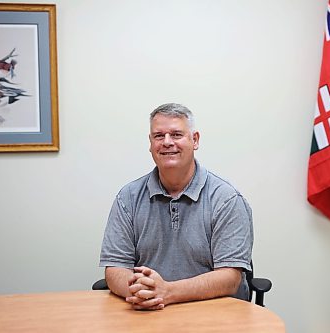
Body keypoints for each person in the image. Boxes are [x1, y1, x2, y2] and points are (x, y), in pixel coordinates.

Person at [99, 103, 253, 310]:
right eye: (159, 136)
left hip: (214, 313)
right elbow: (115, 269)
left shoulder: (226, 199)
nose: (167, 142)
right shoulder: (128, 198)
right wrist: (144, 293)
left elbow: (230, 278)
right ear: (151, 143)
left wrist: (167, 292)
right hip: (148, 312)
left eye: (176, 134)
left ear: (195, 140)